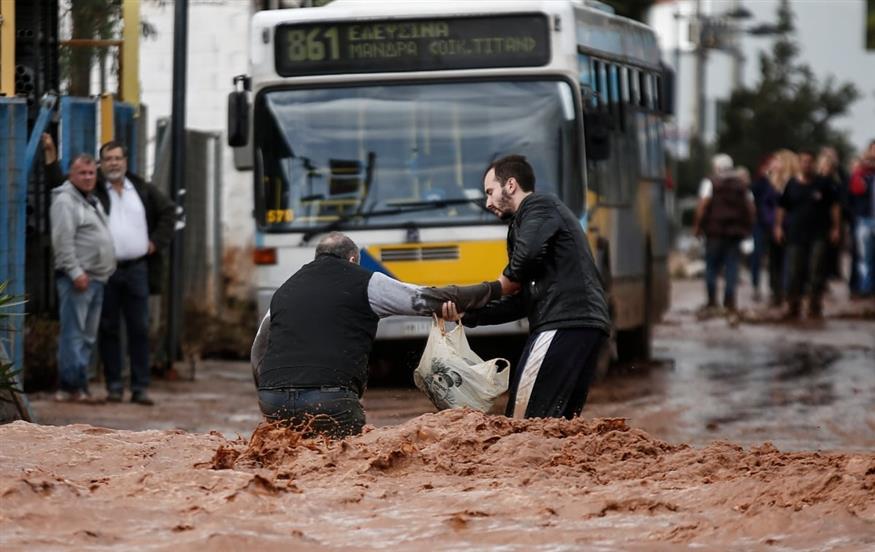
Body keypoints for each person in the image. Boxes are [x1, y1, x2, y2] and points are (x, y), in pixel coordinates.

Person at [249, 232, 505, 438]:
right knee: (348, 468)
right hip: (330, 400)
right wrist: (498, 288)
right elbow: (428, 298)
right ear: (352, 260)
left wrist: (273, 389)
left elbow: (258, 351)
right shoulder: (365, 281)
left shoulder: (284, 290)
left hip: (273, 400)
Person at [442, 154, 610, 420]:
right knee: (559, 425)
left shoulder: (539, 206)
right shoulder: (534, 221)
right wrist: (469, 314)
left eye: (489, 191)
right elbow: (523, 301)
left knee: (523, 423)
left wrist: (494, 286)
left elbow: (524, 260)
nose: (487, 202)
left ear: (510, 185)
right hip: (580, 326)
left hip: (562, 323)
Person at [44, 136, 176, 405]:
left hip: (137, 268)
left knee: (139, 328)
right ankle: (114, 385)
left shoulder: (142, 188)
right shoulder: (93, 189)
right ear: (102, 163)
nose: (113, 163)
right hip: (107, 272)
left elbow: (169, 212)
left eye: (118, 158)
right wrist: (50, 156)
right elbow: (62, 187)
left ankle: (140, 387)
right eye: (108, 159)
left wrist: (154, 243)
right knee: (107, 329)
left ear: (126, 162)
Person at [50, 154, 116, 402]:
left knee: (87, 337)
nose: (88, 177)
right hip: (78, 279)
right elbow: (62, 241)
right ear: (71, 175)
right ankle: (69, 387)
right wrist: (75, 271)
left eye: (91, 173)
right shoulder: (65, 201)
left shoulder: (90, 200)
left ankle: (80, 384)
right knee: (74, 334)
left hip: (97, 278)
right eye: (82, 173)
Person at [774, 151, 841, 319]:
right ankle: (793, 305)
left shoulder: (823, 184)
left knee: (816, 270)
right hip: (796, 235)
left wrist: (836, 228)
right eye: (803, 162)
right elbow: (782, 207)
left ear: (814, 164)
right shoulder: (792, 184)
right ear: (799, 164)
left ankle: (814, 306)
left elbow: (835, 206)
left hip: (819, 234)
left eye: (809, 162)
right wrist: (778, 227)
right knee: (794, 270)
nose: (806, 165)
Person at [692, 153, 754, 316]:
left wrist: (697, 226)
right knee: (732, 267)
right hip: (735, 233)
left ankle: (712, 300)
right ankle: (729, 300)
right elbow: (750, 207)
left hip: (714, 232)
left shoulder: (710, 182)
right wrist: (748, 227)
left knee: (711, 267)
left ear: (716, 167)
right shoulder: (741, 184)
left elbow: (703, 205)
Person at [764, 150, 802, 307]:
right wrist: (770, 221)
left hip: (791, 227)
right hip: (772, 228)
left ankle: (790, 291)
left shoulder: (795, 183)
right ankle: (776, 292)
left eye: (777, 161)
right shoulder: (770, 183)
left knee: (791, 261)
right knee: (774, 261)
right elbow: (764, 205)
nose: (773, 164)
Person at [749, 155, 781, 302]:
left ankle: (776, 288)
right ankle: (756, 285)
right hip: (761, 225)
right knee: (758, 255)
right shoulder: (759, 184)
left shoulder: (782, 183)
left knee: (776, 257)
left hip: (776, 225)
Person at [848, 140, 875, 296]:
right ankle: (865, 289)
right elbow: (856, 190)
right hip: (864, 220)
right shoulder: (861, 173)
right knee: (864, 258)